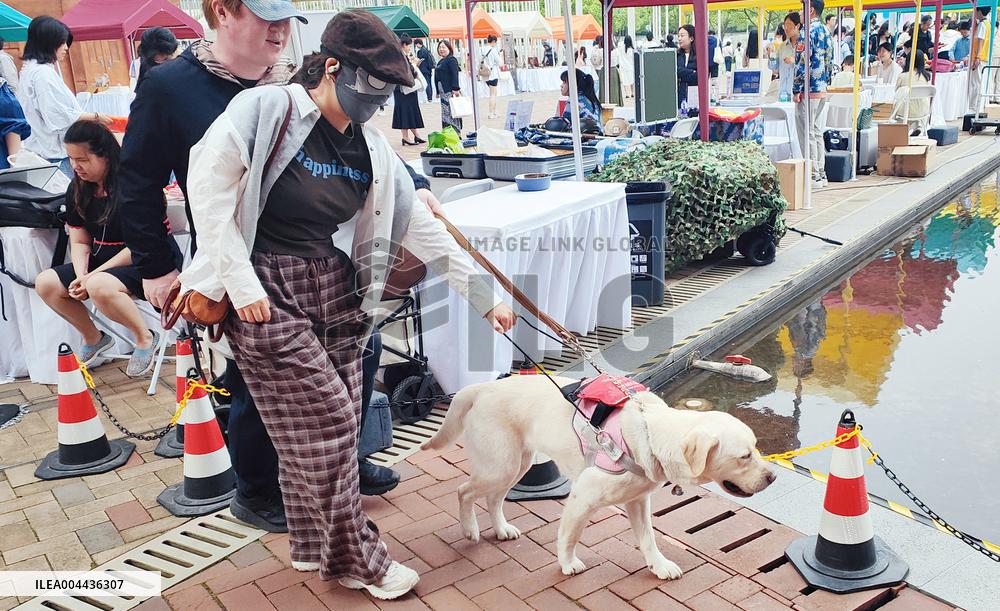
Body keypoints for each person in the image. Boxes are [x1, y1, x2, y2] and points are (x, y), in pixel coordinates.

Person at [180, 9, 516, 598]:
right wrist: (242, 285)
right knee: (330, 422)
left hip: (333, 286)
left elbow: (419, 226)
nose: (379, 100)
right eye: (373, 85)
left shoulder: (372, 149)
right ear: (332, 66)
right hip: (264, 287)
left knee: (314, 429)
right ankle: (360, 559)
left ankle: (312, 545)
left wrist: (485, 297)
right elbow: (207, 192)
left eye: (389, 91)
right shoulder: (267, 111)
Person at [119, 0, 438, 532]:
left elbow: (368, 152)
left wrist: (418, 189)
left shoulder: (304, 78)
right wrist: (157, 265)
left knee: (361, 352)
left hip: (320, 259)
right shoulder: (171, 85)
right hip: (238, 259)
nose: (280, 30)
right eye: (265, 16)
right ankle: (258, 489)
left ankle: (340, 463)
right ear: (222, 10)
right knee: (253, 381)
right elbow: (138, 179)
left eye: (285, 17)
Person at [35, 121, 180, 374]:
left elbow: (141, 243)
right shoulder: (78, 189)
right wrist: (81, 275)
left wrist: (90, 277)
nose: (75, 166)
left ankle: (145, 337)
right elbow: (79, 240)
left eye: (82, 159)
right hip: (102, 261)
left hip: (146, 258)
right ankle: (93, 337)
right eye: (70, 159)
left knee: (98, 284)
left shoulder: (135, 186)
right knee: (46, 282)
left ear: (105, 156)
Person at [17, 16, 113, 177]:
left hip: (46, 151)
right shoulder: (41, 74)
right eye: (62, 42)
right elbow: (57, 116)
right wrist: (95, 117)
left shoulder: (33, 70)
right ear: (49, 43)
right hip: (53, 154)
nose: (66, 47)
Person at [794, 0, 833, 188]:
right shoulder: (826, 31)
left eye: (802, 8)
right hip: (822, 87)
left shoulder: (806, 32)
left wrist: (796, 88)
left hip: (809, 88)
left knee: (807, 131)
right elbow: (830, 58)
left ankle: (813, 175)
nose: (799, 12)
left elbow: (802, 62)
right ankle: (821, 173)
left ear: (810, 10)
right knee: (816, 130)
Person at [394, 34, 425, 146]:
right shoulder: (399, 57)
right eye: (409, 46)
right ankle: (406, 137)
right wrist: (414, 66)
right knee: (405, 112)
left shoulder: (401, 56)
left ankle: (416, 135)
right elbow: (406, 72)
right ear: (404, 45)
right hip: (404, 88)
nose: (410, 48)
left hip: (406, 89)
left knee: (410, 111)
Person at [892, 49, 932, 134]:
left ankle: (903, 132)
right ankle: (917, 127)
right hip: (923, 111)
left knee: (898, 103)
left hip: (905, 112)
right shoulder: (926, 77)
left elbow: (897, 93)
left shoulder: (902, 76)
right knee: (917, 102)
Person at [434, 40, 463, 132]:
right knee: (445, 112)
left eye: (443, 47)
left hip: (449, 91)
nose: (441, 49)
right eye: (440, 47)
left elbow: (455, 74)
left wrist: (455, 88)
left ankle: (455, 132)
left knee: (452, 111)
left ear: (449, 48)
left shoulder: (451, 60)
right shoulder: (441, 61)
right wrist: (437, 91)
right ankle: (447, 132)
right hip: (443, 92)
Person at [969, 7, 991, 113]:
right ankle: (977, 107)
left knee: (976, 83)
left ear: (980, 12)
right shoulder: (987, 24)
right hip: (983, 57)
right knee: (978, 83)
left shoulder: (982, 24)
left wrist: (977, 57)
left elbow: (981, 41)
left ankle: (974, 108)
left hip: (979, 58)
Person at [776, 13, 802, 101]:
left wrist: (796, 61)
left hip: (798, 93)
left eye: (789, 25)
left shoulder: (805, 45)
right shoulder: (782, 46)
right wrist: (771, 56)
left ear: (797, 26)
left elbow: (810, 66)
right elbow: (775, 68)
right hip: (783, 91)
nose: (786, 29)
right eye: (785, 25)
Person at [676, 24, 699, 107]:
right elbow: (674, 71)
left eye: (682, 36)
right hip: (679, 96)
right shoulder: (676, 55)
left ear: (691, 38)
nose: (679, 39)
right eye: (678, 36)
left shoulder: (700, 56)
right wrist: (691, 71)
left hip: (695, 95)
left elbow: (699, 76)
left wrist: (682, 75)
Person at [481, 34, 501, 119]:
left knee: (493, 93)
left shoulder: (481, 49)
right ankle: (491, 113)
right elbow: (498, 62)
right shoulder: (493, 50)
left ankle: (495, 111)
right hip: (492, 74)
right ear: (493, 42)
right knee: (493, 94)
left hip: (484, 74)